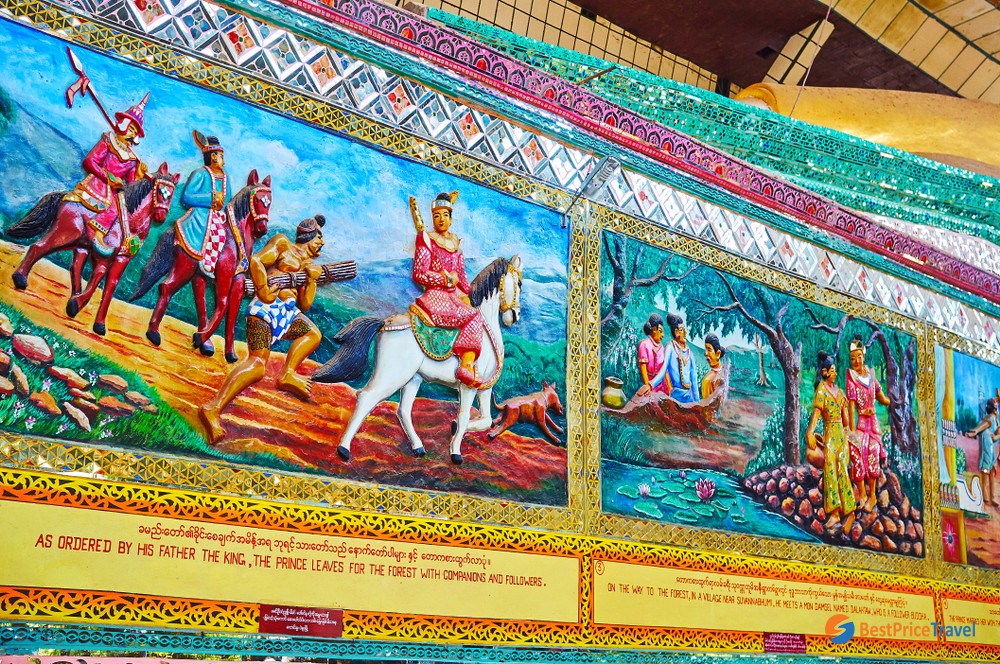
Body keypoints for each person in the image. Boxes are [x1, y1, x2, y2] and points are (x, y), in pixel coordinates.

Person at [199, 215, 326, 443]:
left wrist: (312, 281)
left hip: (287, 314)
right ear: (308, 236)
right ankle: (212, 408)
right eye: (319, 237)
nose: (322, 243)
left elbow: (305, 305)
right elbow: (256, 261)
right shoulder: (282, 244)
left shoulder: (308, 266)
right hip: (266, 309)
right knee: (257, 365)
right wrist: (263, 289)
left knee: (312, 334)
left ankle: (287, 374)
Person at [411, 191, 483, 387]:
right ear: (432, 219)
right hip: (435, 297)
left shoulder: (456, 243)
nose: (440, 219)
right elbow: (419, 273)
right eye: (436, 215)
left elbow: (461, 276)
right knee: (474, 317)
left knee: (474, 310)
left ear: (451, 218)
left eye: (444, 215)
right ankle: (465, 366)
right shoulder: (426, 239)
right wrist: (444, 280)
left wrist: (471, 292)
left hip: (453, 298)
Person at [63, 93, 149, 250]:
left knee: (121, 206)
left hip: (115, 191)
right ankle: (99, 235)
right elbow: (89, 161)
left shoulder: (132, 158)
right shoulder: (109, 140)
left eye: (134, 132)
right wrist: (108, 177)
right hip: (98, 182)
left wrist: (139, 175)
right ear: (122, 125)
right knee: (115, 206)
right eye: (130, 129)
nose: (131, 134)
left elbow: (129, 185)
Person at [806, 351, 856, 533]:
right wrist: (810, 432)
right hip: (829, 433)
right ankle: (834, 512)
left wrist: (848, 430)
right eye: (832, 371)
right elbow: (816, 415)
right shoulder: (822, 391)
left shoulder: (839, 392)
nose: (835, 373)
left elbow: (846, 420)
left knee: (842, 467)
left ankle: (849, 511)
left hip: (840, 434)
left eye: (835, 370)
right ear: (826, 372)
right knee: (830, 469)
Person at [845, 335, 892, 512]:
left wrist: (890, 401)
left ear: (863, 357)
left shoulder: (871, 376)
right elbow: (851, 406)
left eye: (858, 357)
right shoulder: (852, 378)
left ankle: (872, 495)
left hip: (873, 424)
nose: (855, 361)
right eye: (852, 358)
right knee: (856, 450)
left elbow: (881, 396)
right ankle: (861, 493)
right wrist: (850, 430)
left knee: (872, 450)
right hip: (861, 423)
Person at [175, 131, 230, 276]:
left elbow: (227, 202)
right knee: (218, 232)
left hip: (219, 218)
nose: (223, 161)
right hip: (200, 218)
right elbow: (186, 198)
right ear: (213, 157)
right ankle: (207, 265)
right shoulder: (200, 174)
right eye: (221, 157)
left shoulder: (226, 179)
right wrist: (211, 199)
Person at [965, 396, 1000, 508]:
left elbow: (994, 437)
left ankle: (992, 496)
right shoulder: (990, 418)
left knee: (992, 470)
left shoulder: (993, 419)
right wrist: (975, 431)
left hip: (991, 447)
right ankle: (986, 496)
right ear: (994, 410)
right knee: (986, 471)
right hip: (987, 448)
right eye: (997, 409)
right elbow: (984, 425)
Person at [662, 313, 698, 403]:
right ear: (676, 332)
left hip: (689, 397)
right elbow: (663, 370)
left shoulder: (690, 353)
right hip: (675, 396)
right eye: (682, 330)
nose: (685, 333)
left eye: (685, 330)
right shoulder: (670, 347)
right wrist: (650, 385)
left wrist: (698, 403)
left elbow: (694, 380)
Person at [635, 314, 666, 397]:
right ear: (654, 330)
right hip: (648, 386)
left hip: (661, 387)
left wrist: (669, 390)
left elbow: (664, 370)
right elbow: (643, 368)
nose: (662, 335)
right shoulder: (644, 344)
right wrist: (647, 386)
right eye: (660, 331)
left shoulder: (662, 348)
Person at [700, 333, 726, 400]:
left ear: (718, 354)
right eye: (706, 350)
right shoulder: (707, 380)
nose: (706, 353)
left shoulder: (726, 372)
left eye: (709, 350)